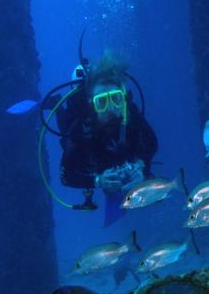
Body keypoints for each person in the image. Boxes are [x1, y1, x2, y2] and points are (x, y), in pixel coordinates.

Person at [47, 50, 157, 225]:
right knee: (64, 121)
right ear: (92, 105)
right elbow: (66, 176)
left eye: (116, 99)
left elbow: (152, 143)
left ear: (124, 98)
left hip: (119, 157)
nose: (111, 108)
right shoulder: (81, 129)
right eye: (102, 102)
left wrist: (141, 165)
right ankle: (57, 105)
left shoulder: (131, 115)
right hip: (93, 161)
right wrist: (98, 181)